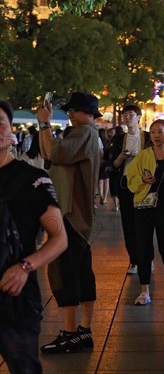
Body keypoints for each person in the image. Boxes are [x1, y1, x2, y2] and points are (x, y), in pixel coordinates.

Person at [0, 101, 67, 373]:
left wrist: (25, 267)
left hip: (16, 296)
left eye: (0, 124)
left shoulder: (32, 179)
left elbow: (59, 237)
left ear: (10, 133)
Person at [37, 92, 101, 354]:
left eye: (75, 110)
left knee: (65, 271)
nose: (71, 114)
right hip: (75, 214)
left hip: (70, 214)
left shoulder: (85, 131)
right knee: (81, 270)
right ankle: (82, 331)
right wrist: (45, 127)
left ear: (89, 113)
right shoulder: (85, 133)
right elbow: (48, 152)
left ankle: (71, 333)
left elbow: (53, 151)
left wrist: (44, 124)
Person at [126, 120, 164, 306]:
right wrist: (142, 179)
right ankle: (144, 290)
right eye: (153, 132)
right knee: (143, 247)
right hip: (144, 206)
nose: (156, 135)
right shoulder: (143, 155)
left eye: (160, 131)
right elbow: (130, 178)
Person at [109, 105, 151, 275]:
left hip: (144, 186)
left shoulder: (147, 137)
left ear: (138, 117)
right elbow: (113, 165)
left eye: (130, 114)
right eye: (124, 115)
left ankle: (147, 259)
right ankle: (134, 260)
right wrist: (122, 156)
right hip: (126, 185)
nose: (127, 117)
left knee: (145, 225)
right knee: (128, 224)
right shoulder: (120, 139)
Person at [98, 128, 111, 205]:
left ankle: (101, 196)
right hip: (107, 162)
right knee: (106, 180)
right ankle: (105, 197)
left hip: (99, 162)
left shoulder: (97, 140)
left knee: (100, 180)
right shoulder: (108, 141)